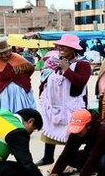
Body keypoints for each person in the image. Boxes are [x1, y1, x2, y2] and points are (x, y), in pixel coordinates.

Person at [35, 34, 92, 166]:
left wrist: (66, 69)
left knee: (72, 132)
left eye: (65, 47)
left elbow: (80, 82)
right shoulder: (54, 61)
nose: (61, 48)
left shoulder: (83, 64)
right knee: (50, 128)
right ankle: (48, 157)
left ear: (73, 49)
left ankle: (69, 160)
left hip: (72, 104)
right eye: (60, 46)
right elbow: (46, 80)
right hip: (55, 104)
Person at [0, 40, 36, 112]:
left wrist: (21, 80)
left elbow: (30, 70)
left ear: (10, 50)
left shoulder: (19, 59)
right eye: (1, 54)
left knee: (22, 113)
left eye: (5, 53)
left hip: (20, 92)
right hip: (4, 94)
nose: (4, 55)